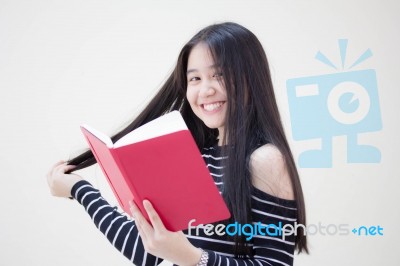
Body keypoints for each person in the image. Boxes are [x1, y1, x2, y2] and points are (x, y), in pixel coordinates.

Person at [47, 22, 308, 265]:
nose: (205, 90)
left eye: (219, 75)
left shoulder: (265, 160)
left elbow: (274, 263)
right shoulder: (198, 157)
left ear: (251, 79)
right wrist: (80, 189)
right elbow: (146, 250)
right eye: (195, 78)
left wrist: (193, 258)